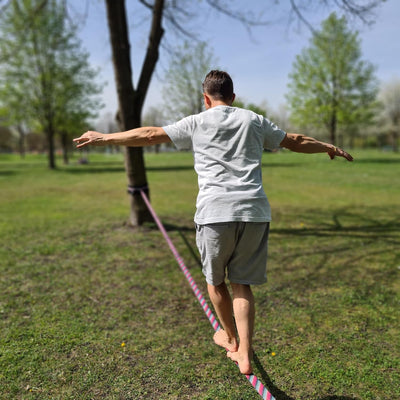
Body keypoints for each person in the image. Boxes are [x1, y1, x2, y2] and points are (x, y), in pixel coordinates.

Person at [74, 70, 353, 375]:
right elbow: (296, 140)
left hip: (215, 214)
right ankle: (244, 353)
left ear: (205, 98)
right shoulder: (253, 120)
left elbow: (150, 135)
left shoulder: (196, 121)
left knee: (215, 281)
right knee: (242, 285)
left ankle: (231, 339)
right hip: (254, 212)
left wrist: (102, 137)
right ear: (233, 97)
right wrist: (328, 146)